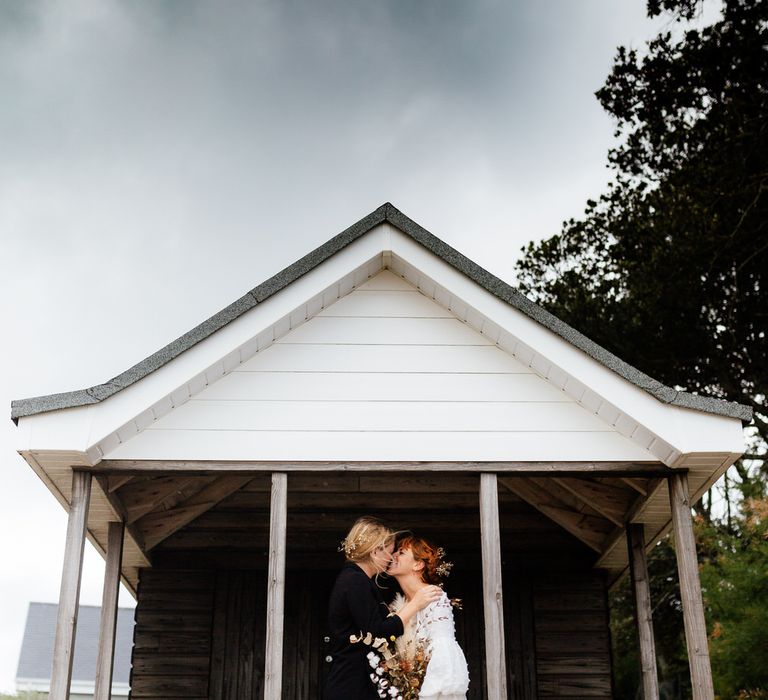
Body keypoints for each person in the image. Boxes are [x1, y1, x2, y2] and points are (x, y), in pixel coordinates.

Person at [324, 517, 443, 700]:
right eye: (390, 551)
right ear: (375, 551)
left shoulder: (357, 580)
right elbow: (378, 633)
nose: (391, 558)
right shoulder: (354, 581)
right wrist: (415, 605)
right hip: (351, 686)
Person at [388, 535, 470, 700]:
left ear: (418, 564)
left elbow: (442, 647)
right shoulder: (400, 606)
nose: (393, 555)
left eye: (401, 552)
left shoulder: (434, 597)